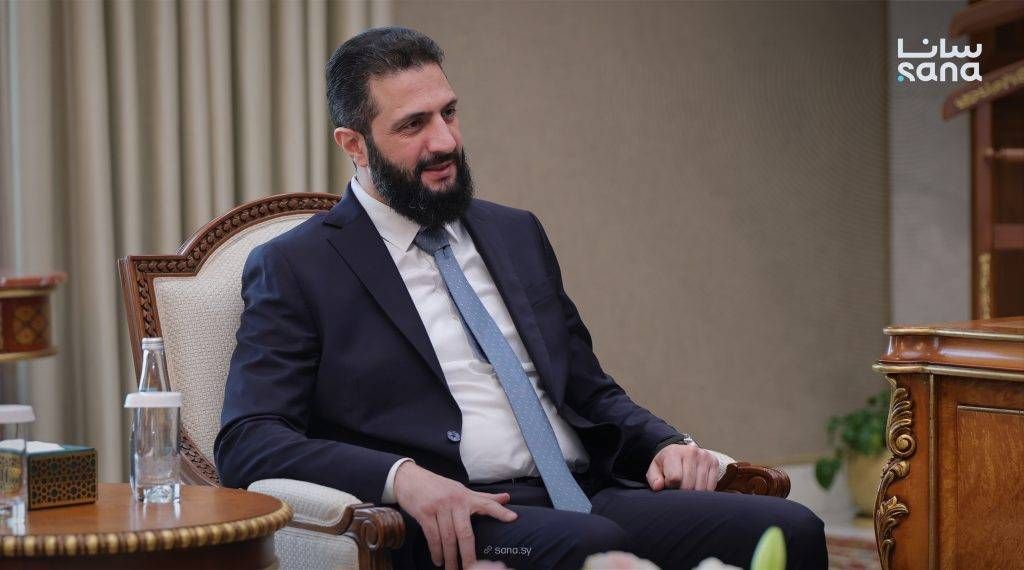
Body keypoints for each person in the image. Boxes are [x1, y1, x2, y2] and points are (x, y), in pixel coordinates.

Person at [215, 26, 827, 570]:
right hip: (460, 513)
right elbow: (250, 438)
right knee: (590, 544)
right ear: (354, 144)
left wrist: (666, 443)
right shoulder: (298, 266)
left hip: (587, 489)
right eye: (413, 125)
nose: (444, 141)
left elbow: (589, 389)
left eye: (449, 113)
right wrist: (402, 479)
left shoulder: (515, 233)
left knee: (790, 527)